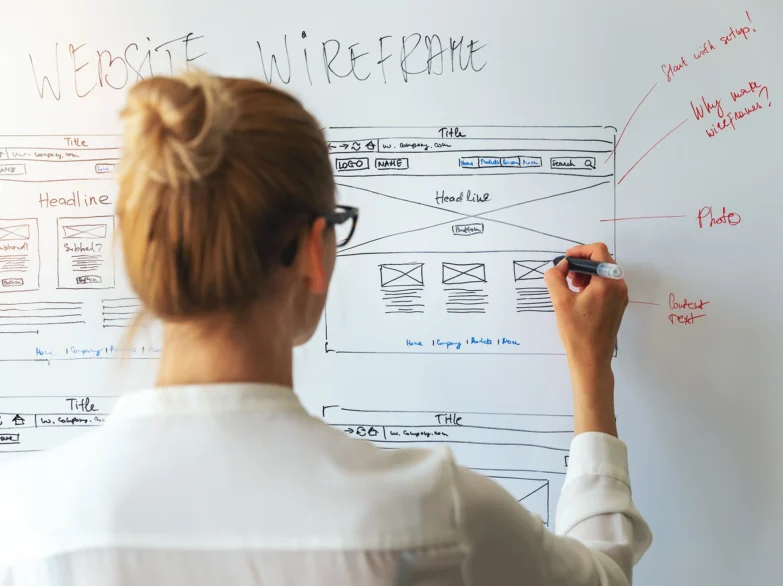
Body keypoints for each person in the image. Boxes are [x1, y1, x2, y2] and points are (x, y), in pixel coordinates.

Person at [0, 71, 652, 585]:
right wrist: (590, 369)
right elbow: (602, 575)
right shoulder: (437, 510)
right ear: (315, 249)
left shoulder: (23, 518)